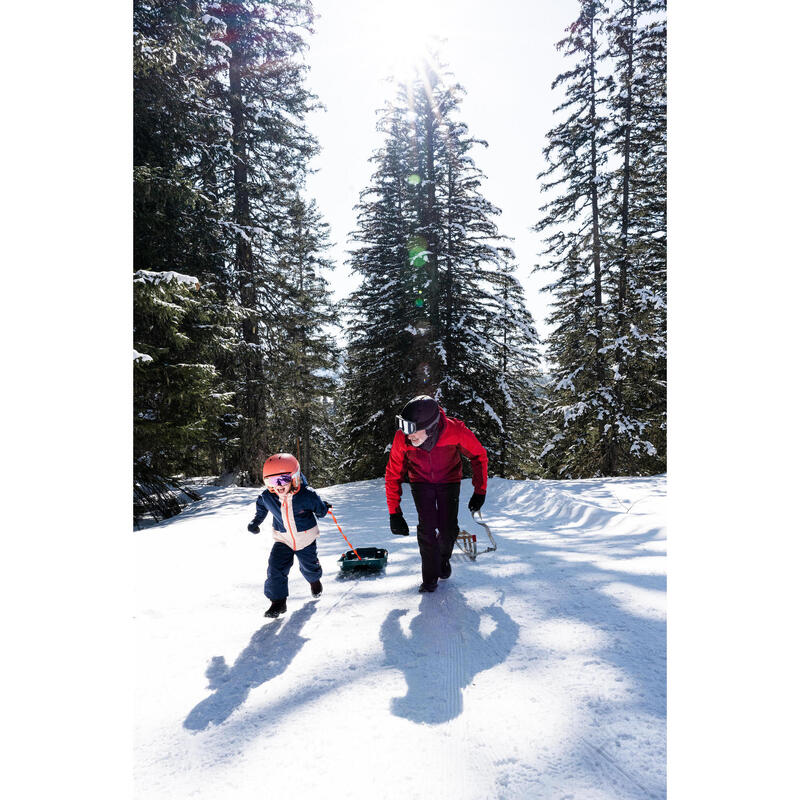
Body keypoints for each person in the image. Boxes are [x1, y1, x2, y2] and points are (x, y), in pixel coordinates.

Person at [384, 395, 488, 593]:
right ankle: (429, 578)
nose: (408, 435)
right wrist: (394, 513)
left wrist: (480, 490)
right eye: (404, 429)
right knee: (427, 528)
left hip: (449, 481)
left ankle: (443, 559)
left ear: (430, 427)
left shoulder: (454, 431)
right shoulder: (403, 438)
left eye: (412, 430)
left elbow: (479, 455)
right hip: (421, 483)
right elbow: (393, 474)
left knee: (448, 529)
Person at [247, 453, 332, 618]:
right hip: (283, 539)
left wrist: (323, 508)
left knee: (310, 567)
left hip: (305, 539)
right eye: (271, 481)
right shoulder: (268, 496)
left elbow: (320, 511)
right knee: (275, 568)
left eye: (282, 480)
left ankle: (314, 581)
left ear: (294, 478)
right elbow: (261, 507)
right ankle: (277, 602)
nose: (278, 486)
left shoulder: (307, 495)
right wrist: (255, 522)